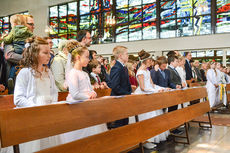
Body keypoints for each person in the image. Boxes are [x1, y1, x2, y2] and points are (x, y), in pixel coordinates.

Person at [14, 36, 61, 152]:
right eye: (45, 53)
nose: (49, 55)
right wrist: (36, 108)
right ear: (34, 54)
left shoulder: (48, 72)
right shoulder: (25, 73)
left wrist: (52, 104)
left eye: (49, 52)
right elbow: (18, 99)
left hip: (48, 114)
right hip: (31, 116)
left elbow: (54, 91)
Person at [63, 46, 107, 143]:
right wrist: (89, 96)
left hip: (87, 105)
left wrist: (94, 93)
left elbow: (90, 89)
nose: (89, 59)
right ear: (78, 57)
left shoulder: (85, 73)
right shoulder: (73, 73)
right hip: (77, 106)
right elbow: (75, 94)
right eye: (87, 57)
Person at [4, 14, 35, 94]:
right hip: (17, 78)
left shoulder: (34, 39)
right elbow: (9, 55)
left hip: (32, 77)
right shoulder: (12, 37)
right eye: (30, 24)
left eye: (33, 24)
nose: (33, 27)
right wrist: (29, 59)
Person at [109, 46, 132, 129]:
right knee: (119, 124)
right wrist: (127, 93)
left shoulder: (123, 67)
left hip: (124, 99)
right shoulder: (116, 68)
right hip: (118, 100)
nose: (128, 56)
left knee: (125, 122)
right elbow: (115, 86)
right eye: (126, 54)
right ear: (120, 56)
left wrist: (130, 91)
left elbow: (126, 83)